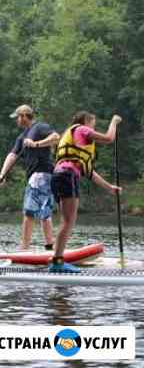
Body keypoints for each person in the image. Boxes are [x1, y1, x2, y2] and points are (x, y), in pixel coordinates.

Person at [49, 112, 122, 272]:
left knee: (66, 221)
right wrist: (115, 122)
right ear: (86, 121)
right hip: (67, 176)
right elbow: (109, 138)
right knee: (68, 221)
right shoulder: (82, 129)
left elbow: (88, 172)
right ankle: (57, 262)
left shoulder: (75, 139)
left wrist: (109, 187)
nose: (93, 129)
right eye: (93, 124)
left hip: (59, 176)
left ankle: (56, 260)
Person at [0, 104, 60, 251]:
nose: (16, 121)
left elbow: (56, 137)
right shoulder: (22, 137)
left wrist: (36, 144)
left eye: (17, 117)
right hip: (42, 176)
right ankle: (50, 246)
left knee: (29, 212)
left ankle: (24, 249)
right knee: (45, 213)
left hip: (41, 174)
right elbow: (12, 156)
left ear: (24, 116)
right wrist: (1, 175)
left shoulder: (39, 127)